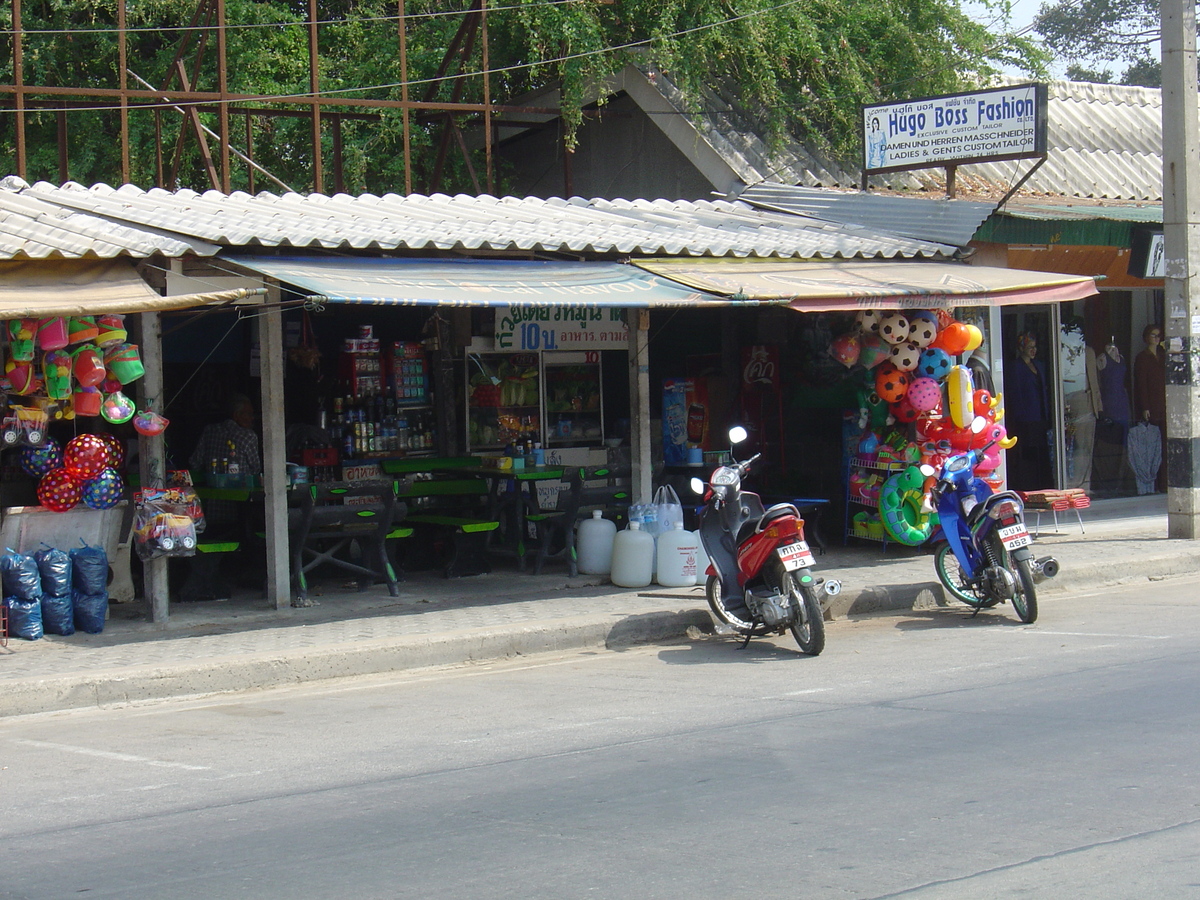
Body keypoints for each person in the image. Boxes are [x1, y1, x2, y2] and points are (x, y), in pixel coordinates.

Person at [183, 394, 262, 601]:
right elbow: (256, 468)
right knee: (253, 526)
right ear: (236, 415)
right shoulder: (248, 437)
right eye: (248, 414)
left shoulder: (210, 431)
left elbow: (195, 462)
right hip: (240, 508)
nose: (252, 418)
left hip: (210, 509)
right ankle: (250, 568)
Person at [1003, 331, 1052, 490]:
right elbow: (1015, 393)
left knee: (1041, 453)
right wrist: (1019, 416)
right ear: (1021, 348)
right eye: (1030, 347)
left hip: (1040, 416)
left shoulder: (1039, 365)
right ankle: (1029, 486)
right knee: (1028, 454)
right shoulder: (1015, 367)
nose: (1033, 350)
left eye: (1035, 346)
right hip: (1025, 419)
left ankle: (1043, 484)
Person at [1059, 317, 1100, 491]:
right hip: (1071, 400)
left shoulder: (1088, 352)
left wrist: (1098, 405)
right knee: (1073, 446)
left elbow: (1095, 380)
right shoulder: (1062, 352)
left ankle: (1085, 483)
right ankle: (1072, 483)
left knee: (1086, 446)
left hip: (1088, 401)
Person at [1134, 323, 1167, 491]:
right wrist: (1145, 406)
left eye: (1158, 335)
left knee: (1166, 444)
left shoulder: (1163, 355)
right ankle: (1155, 484)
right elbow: (1141, 384)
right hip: (1152, 405)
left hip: (1165, 403)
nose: (1156, 338)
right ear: (1146, 337)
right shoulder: (1142, 357)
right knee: (1154, 445)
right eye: (1153, 335)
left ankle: (1165, 482)